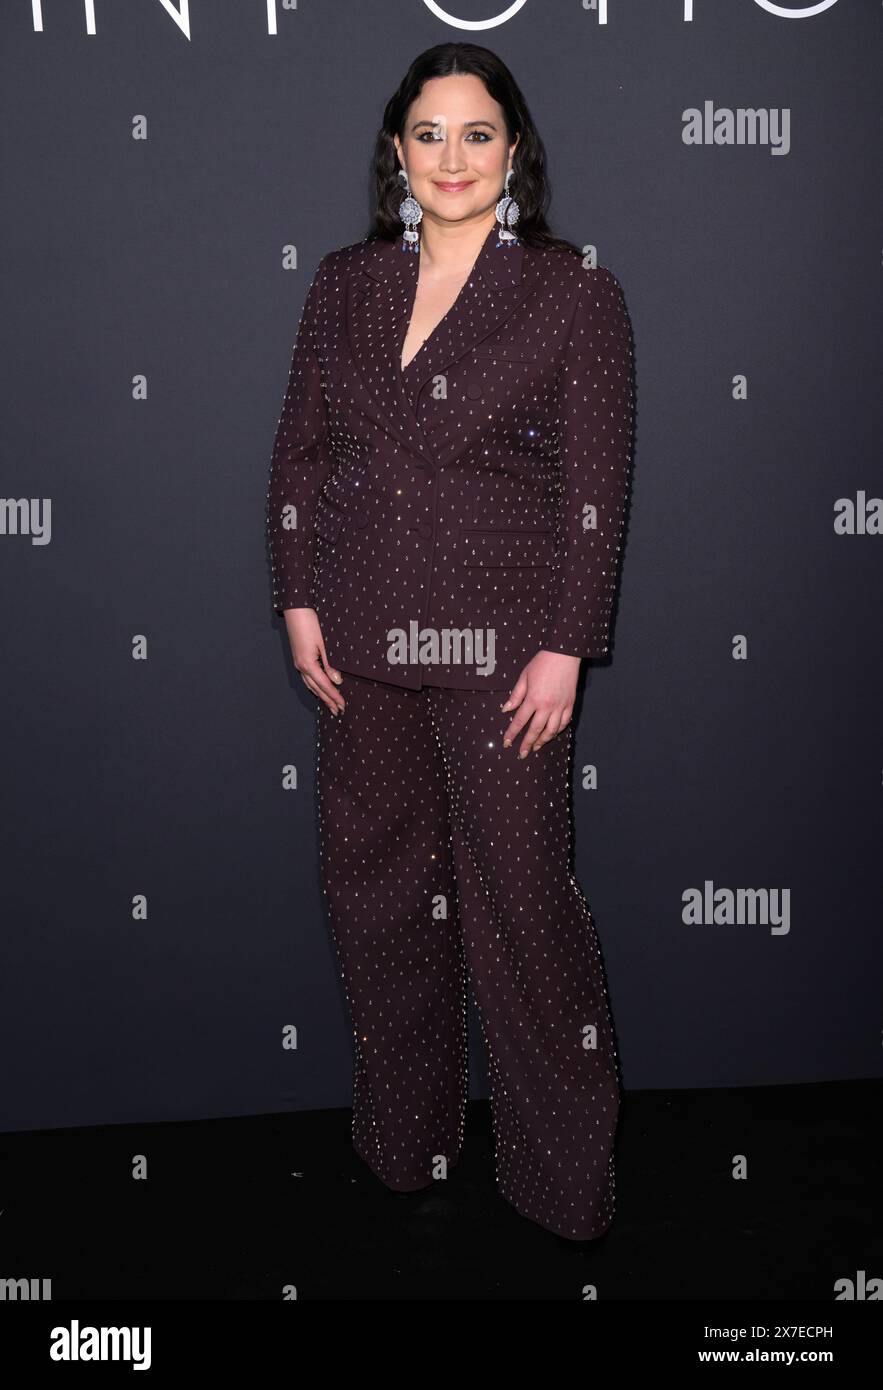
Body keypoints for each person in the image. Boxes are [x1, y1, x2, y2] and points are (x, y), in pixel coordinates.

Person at [265, 41, 635, 1243]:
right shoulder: (342, 283)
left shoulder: (576, 289)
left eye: (478, 134)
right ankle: (404, 1141)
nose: (453, 157)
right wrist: (297, 596)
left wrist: (567, 645)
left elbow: (597, 484)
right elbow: (301, 454)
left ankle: (559, 1181)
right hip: (357, 645)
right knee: (379, 903)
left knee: (523, 910)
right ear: (396, 152)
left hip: (504, 655)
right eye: (429, 134)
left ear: (514, 152)